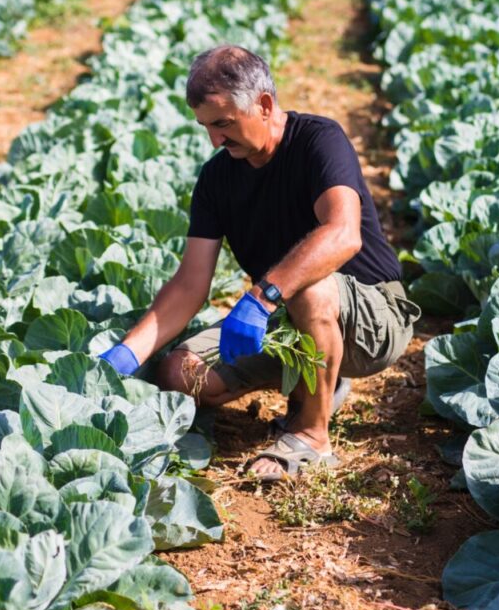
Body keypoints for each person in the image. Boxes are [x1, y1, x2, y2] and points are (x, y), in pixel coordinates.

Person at [97, 45, 421, 481]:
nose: (214, 139)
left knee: (309, 287)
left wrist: (263, 295)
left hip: (372, 318)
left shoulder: (318, 141)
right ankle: (321, 380)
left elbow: (343, 234)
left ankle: (311, 435)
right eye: (206, 127)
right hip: (284, 321)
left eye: (223, 123)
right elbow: (191, 284)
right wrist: (126, 354)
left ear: (264, 105)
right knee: (180, 372)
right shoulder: (217, 179)